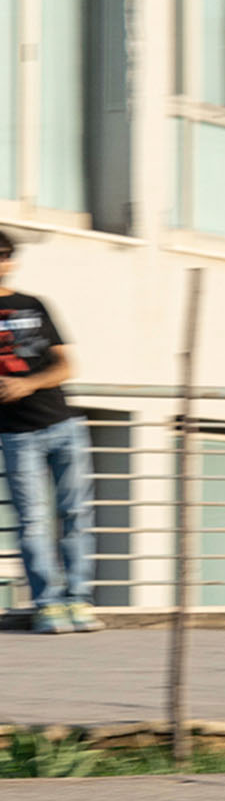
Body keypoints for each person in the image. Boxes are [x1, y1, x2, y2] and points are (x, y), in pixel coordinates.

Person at [0, 229, 101, 634]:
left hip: (63, 425)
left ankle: (78, 600)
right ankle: (48, 605)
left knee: (76, 514)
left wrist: (28, 384)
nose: (1, 261)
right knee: (34, 521)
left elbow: (66, 366)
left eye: (6, 254)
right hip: (15, 434)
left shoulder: (34, 304)